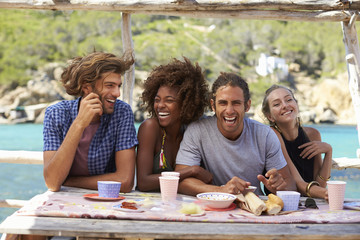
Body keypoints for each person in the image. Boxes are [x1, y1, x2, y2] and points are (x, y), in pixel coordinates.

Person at [175, 72, 296, 196]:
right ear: (213, 105)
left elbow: (290, 184)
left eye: (236, 103)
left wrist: (279, 187)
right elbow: (181, 182)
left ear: (247, 105)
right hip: (212, 208)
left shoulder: (265, 135)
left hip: (254, 210)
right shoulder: (197, 131)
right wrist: (221, 191)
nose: (229, 110)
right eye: (222, 103)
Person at [43, 51, 138, 193]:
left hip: (108, 201)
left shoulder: (122, 112)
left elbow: (125, 182)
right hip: (65, 202)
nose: (117, 93)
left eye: (118, 86)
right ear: (86, 87)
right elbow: (52, 182)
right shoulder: (56, 113)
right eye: (110, 85)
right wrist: (79, 124)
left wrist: (68, 181)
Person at [136, 57, 213, 192]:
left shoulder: (192, 132)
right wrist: (192, 170)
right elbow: (144, 182)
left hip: (179, 205)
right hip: (148, 204)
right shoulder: (150, 128)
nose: (160, 106)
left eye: (169, 100)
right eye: (157, 100)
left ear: (186, 104)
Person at [261, 84, 332, 199]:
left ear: (296, 105)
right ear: (270, 117)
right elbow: (296, 183)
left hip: (307, 203)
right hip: (280, 203)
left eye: (289, 99)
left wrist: (329, 152)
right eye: (277, 104)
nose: (285, 105)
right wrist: (328, 194)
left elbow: (320, 184)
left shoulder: (313, 134)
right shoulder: (272, 135)